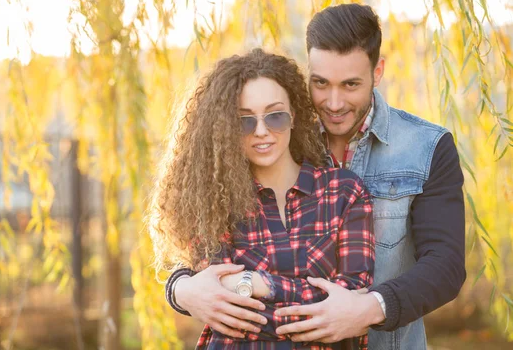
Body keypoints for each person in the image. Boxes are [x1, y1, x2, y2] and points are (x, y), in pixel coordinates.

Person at [165, 4, 466, 350]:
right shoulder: (277, 138)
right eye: (321, 83)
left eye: (350, 84)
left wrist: (365, 308)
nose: (334, 103)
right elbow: (196, 237)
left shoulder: (426, 147)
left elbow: (445, 266)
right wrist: (181, 288)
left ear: (377, 71)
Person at [149, 48, 375, 349]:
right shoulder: (213, 202)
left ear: (293, 116)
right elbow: (228, 311)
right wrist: (314, 304)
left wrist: (260, 285)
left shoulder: (344, 193)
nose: (261, 131)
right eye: (244, 121)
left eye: (275, 116)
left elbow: (353, 303)